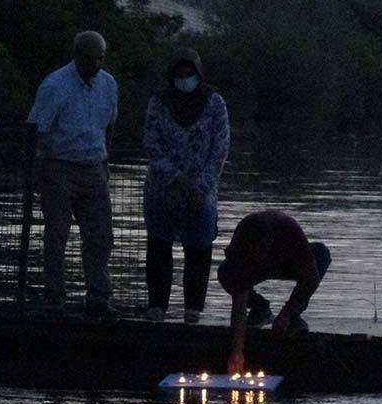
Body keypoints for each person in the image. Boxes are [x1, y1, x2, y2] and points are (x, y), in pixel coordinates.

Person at [26, 30, 119, 318]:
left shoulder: (108, 84)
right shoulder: (55, 85)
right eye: (91, 59)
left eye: (100, 59)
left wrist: (105, 161)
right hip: (58, 164)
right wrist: (35, 172)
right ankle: (54, 295)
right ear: (78, 56)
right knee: (57, 232)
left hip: (93, 164)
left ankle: (99, 296)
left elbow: (110, 123)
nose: (96, 65)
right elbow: (35, 130)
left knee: (100, 234)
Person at [142, 48, 231, 324]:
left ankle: (193, 310)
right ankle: (157, 307)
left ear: (198, 74)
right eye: (178, 75)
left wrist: (200, 187)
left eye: (189, 74)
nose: (184, 79)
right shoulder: (158, 102)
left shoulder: (214, 103)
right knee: (159, 247)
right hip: (163, 189)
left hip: (201, 192)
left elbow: (220, 149)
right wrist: (175, 178)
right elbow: (151, 145)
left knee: (199, 249)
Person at [218, 210, 331, 374]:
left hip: (287, 262)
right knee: (226, 273)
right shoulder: (241, 243)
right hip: (255, 268)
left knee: (321, 254)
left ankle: (294, 317)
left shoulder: (290, 232)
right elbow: (239, 299)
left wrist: (288, 311)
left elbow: (311, 277)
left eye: (261, 249)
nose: (258, 255)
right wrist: (237, 351)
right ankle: (260, 308)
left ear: (270, 240)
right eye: (253, 251)